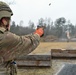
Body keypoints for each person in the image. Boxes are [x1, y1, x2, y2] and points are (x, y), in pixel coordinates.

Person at [0, 1, 44, 75]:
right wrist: (38, 34)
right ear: (4, 21)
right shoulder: (4, 38)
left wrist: (34, 34)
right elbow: (28, 43)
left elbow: (18, 39)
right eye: (8, 19)